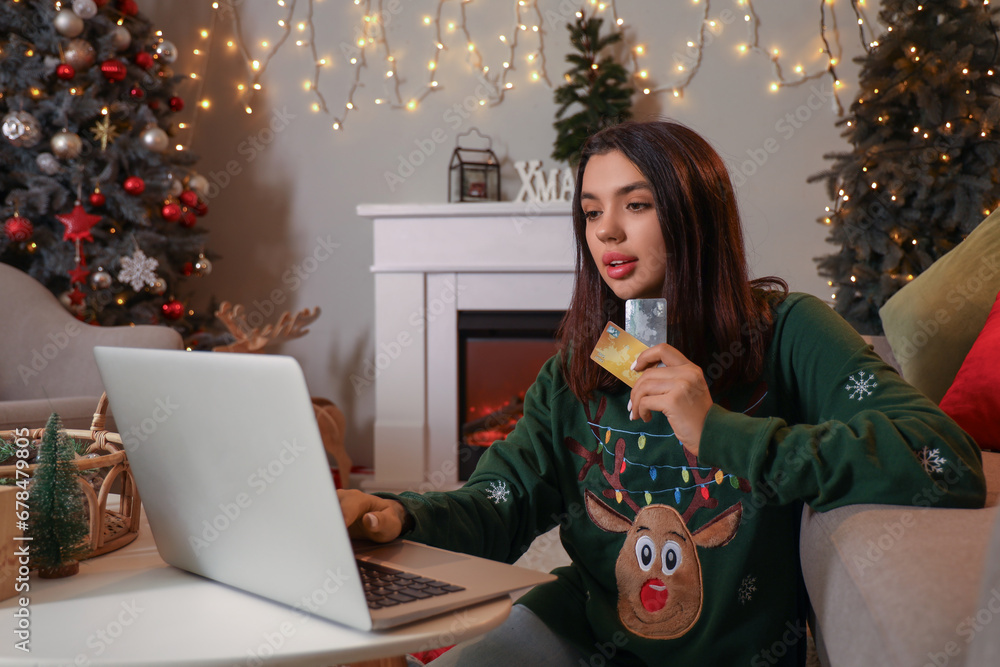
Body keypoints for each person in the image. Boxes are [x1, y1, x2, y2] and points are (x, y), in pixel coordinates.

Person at [338, 120, 986, 666]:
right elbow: (499, 503)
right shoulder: (581, 364)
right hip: (582, 627)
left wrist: (718, 431)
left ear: (693, 211)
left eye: (636, 204)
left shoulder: (787, 332)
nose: (606, 232)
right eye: (591, 211)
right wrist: (402, 515)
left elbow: (941, 457)